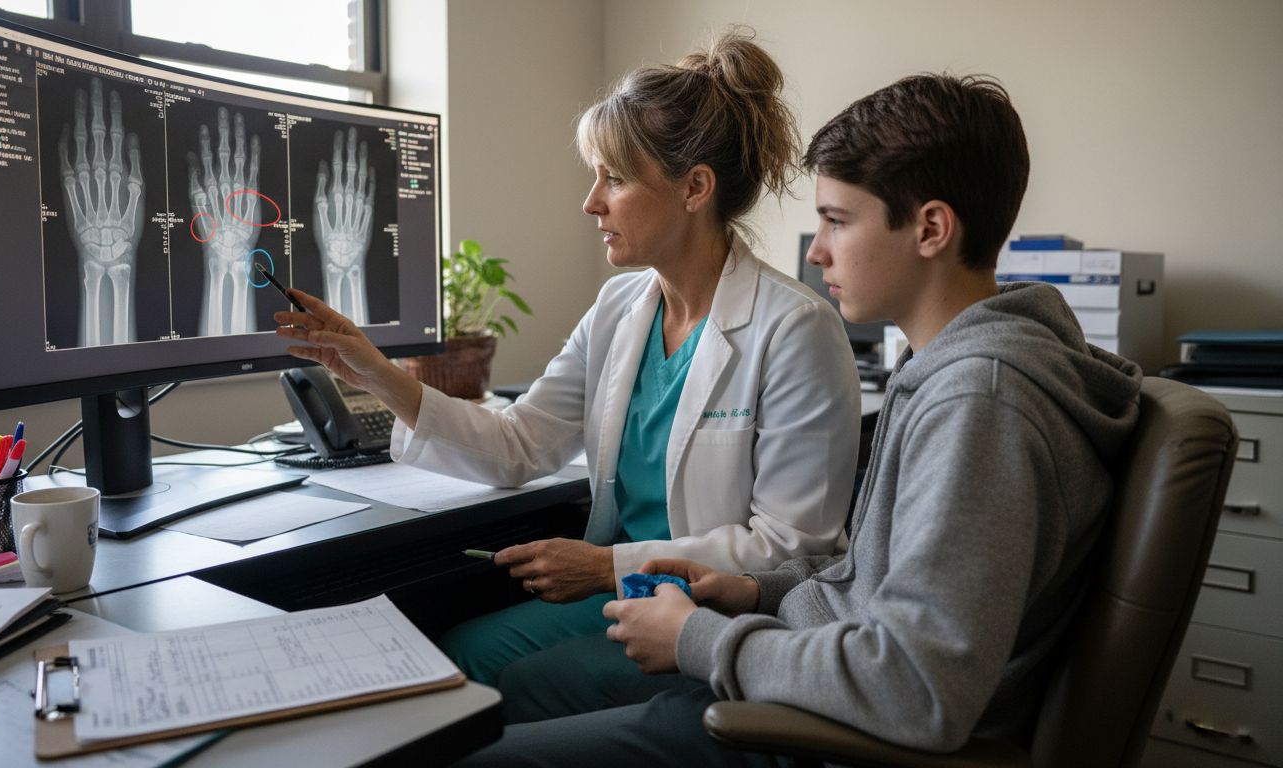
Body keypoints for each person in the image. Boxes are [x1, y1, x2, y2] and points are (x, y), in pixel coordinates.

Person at [454, 73, 1143, 767]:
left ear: (931, 229)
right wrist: (758, 590)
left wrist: (702, 639)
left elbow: (916, 687)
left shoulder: (979, 403)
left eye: (839, 222)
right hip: (807, 675)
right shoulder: (945, 369)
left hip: (839, 736)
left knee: (483, 748)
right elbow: (876, 587)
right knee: (512, 694)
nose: (815, 252)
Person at [275, 28, 862, 687]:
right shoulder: (620, 308)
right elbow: (520, 443)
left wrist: (602, 567)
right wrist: (375, 374)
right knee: (453, 647)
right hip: (626, 591)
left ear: (695, 187)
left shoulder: (795, 329)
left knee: (473, 671)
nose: (591, 202)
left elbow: (790, 549)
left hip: (712, 619)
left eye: (614, 178)